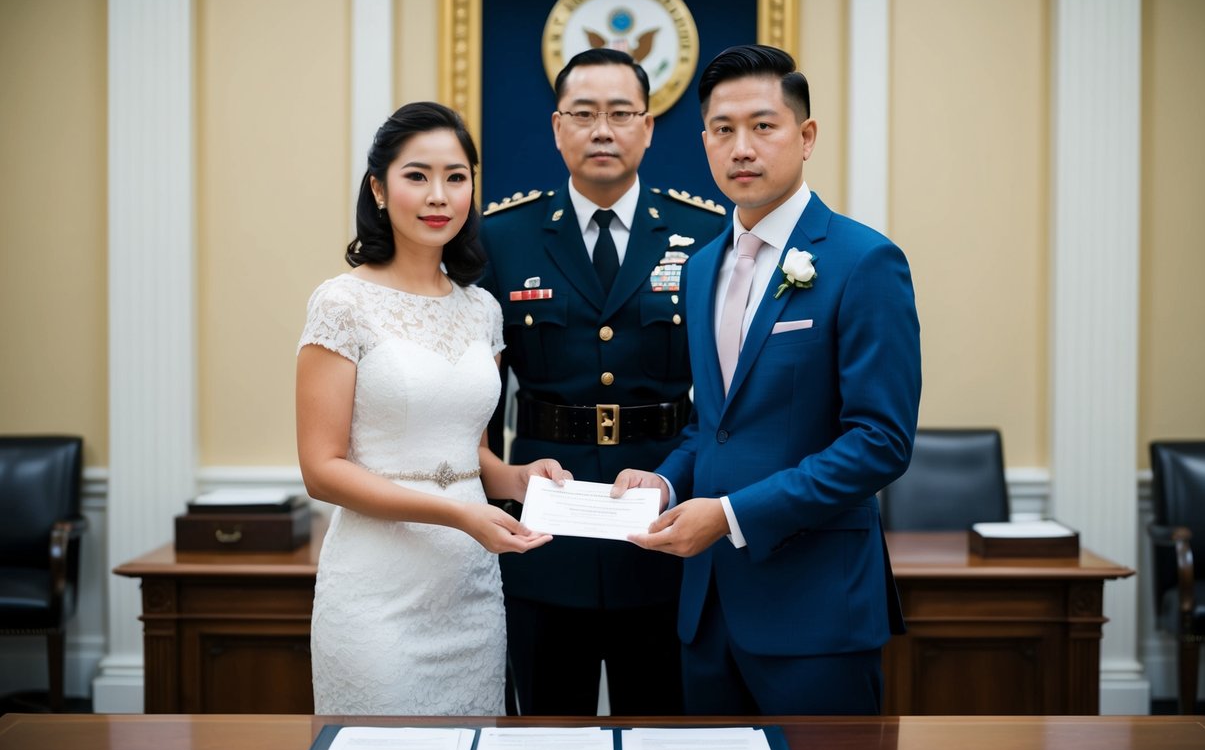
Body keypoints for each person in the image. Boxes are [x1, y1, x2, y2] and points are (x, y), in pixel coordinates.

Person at [611, 45, 921, 715]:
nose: (741, 147)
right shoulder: (699, 268)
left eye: (763, 125)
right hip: (706, 610)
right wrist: (664, 479)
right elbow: (713, 425)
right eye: (722, 130)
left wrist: (727, 516)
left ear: (805, 137)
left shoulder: (863, 261)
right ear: (703, 141)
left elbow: (879, 441)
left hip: (814, 612)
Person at [295, 102, 570, 716]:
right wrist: (457, 515)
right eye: (417, 175)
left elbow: (465, 451)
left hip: (470, 592)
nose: (438, 195)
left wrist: (518, 479)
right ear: (379, 187)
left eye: (456, 176)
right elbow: (322, 468)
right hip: (377, 593)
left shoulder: (482, 309)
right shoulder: (341, 303)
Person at [478, 48, 727, 715]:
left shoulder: (705, 234)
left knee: (664, 733)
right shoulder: (501, 238)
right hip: (542, 528)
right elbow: (478, 397)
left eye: (620, 114)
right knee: (546, 737)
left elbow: (724, 398)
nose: (602, 131)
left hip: (662, 522)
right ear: (557, 127)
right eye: (583, 114)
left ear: (647, 128)